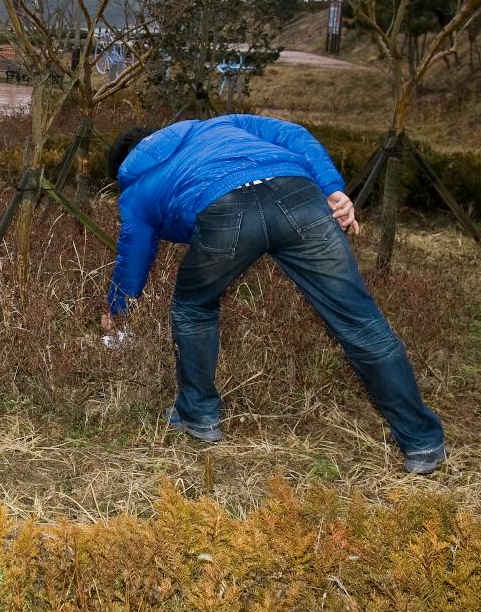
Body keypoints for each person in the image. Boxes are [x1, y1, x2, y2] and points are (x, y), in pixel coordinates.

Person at [103, 114, 446, 475]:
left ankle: (199, 414)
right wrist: (332, 186)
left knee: (193, 308)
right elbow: (292, 134)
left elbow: (134, 254)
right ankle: (422, 441)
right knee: (360, 322)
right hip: (298, 192)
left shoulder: (135, 190)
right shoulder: (217, 124)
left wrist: (116, 308)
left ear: (123, 168)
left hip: (225, 211)